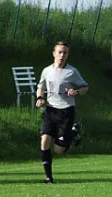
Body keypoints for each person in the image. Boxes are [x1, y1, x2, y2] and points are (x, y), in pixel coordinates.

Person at [36, 41, 89, 184]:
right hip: (51, 110)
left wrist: (76, 92)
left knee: (59, 150)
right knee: (44, 141)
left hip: (66, 111)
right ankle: (49, 178)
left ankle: (73, 132)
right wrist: (40, 98)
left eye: (65, 53)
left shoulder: (72, 72)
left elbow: (85, 87)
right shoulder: (47, 71)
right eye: (59, 52)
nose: (62, 55)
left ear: (67, 55)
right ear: (54, 53)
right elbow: (40, 87)